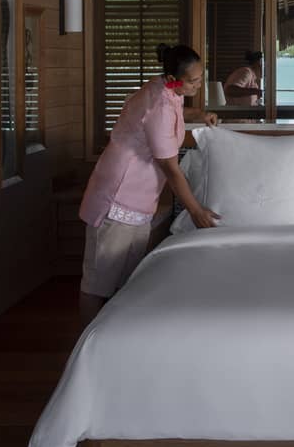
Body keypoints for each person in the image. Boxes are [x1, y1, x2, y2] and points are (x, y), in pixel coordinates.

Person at [77, 43, 219, 321]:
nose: (199, 85)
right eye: (193, 81)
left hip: (138, 198)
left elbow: (179, 109)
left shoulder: (165, 88)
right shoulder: (158, 106)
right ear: (173, 78)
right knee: (97, 283)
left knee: (126, 281)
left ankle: (115, 338)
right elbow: (169, 166)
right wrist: (195, 211)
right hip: (117, 195)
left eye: (201, 78)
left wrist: (199, 114)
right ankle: (87, 347)